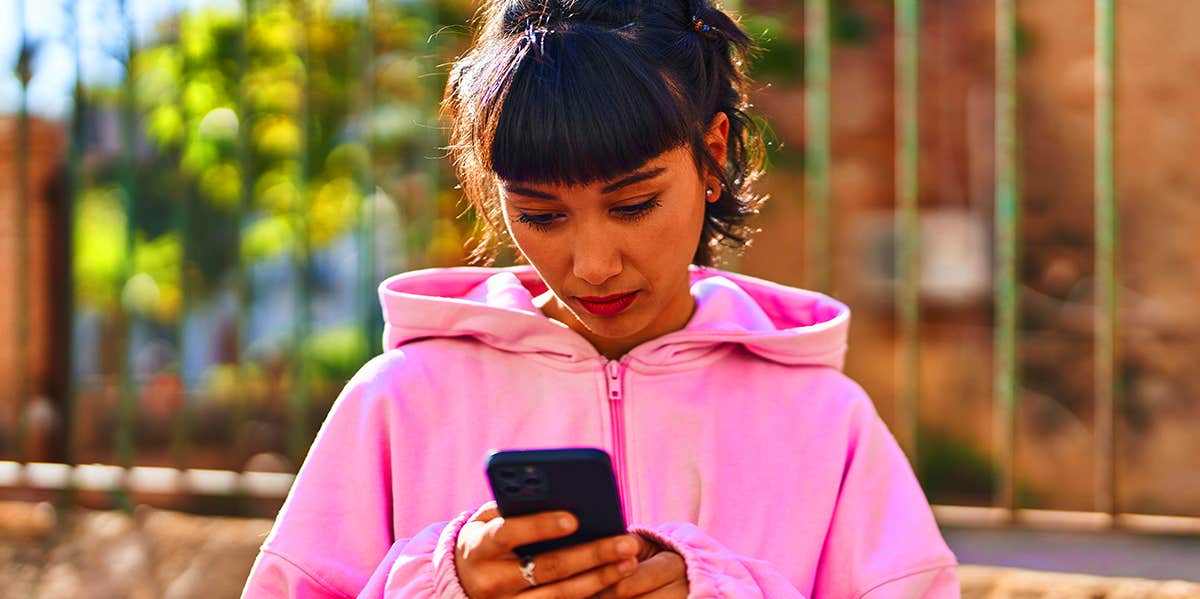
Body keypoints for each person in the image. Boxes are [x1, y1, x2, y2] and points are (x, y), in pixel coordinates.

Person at [241, 0, 960, 597]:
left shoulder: (823, 418)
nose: (592, 264)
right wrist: (444, 580)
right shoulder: (400, 399)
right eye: (542, 215)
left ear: (712, 153)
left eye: (634, 203)